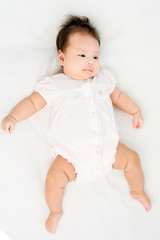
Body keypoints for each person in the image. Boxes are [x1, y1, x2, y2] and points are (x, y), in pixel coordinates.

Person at [1, 15, 151, 234]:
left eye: (95, 56)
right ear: (62, 57)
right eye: (81, 55)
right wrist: (13, 117)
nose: (90, 61)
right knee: (53, 179)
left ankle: (137, 190)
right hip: (72, 158)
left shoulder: (103, 81)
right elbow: (33, 103)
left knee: (134, 159)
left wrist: (135, 110)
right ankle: (55, 211)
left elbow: (118, 97)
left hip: (110, 150)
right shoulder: (56, 85)